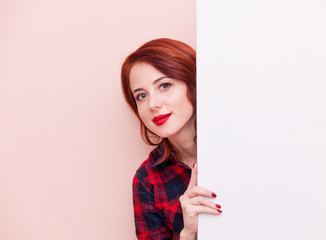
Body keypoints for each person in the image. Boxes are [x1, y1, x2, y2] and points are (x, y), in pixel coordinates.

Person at [121, 38, 222, 240]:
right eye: (141, 96)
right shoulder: (147, 181)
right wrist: (188, 233)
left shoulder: (237, 144)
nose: (153, 104)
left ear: (193, 83)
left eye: (164, 85)